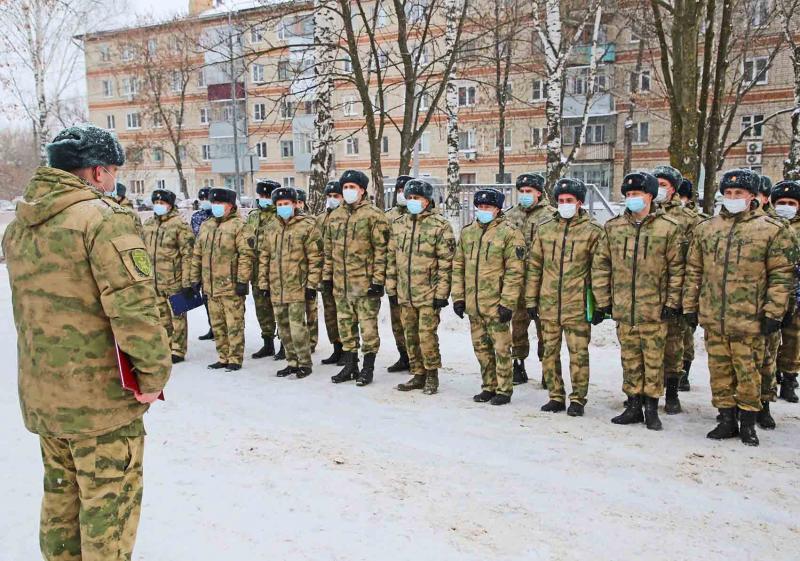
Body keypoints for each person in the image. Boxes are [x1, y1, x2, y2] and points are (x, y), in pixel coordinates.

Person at [2, 124, 171, 561]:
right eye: (113, 171)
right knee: (107, 512)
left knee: (61, 500)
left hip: (47, 397)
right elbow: (134, 308)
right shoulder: (101, 220)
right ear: (97, 172)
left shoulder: (21, 226)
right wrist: (153, 375)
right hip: (100, 402)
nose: (113, 180)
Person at [683, 169, 794, 446]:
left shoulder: (772, 230)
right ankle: (726, 418)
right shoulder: (707, 229)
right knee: (720, 371)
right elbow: (694, 270)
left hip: (750, 319)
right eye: (728, 193)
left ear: (752, 196)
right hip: (715, 316)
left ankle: (747, 422)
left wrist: (774, 312)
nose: (733, 197)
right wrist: (690, 306)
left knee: (748, 372)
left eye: (739, 193)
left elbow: (781, 276)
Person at [593, 171, 685, 431]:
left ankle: (652, 408)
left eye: (637, 194)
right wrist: (603, 300)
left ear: (650, 196)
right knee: (630, 359)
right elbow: (601, 265)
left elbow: (678, 269)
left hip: (654, 309)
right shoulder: (613, 227)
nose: (632, 198)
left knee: (653, 361)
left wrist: (672, 303)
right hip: (625, 308)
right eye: (629, 194)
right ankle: (633, 405)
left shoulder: (668, 228)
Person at [525, 178, 604, 416]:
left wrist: (601, 303)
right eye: (561, 200)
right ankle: (555, 396)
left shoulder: (593, 231)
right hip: (549, 304)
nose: (564, 204)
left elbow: (600, 270)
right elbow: (535, 266)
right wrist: (531, 300)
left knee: (578, 354)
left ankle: (578, 399)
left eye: (569, 200)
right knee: (549, 352)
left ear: (579, 202)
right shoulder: (546, 228)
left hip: (577, 305)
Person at [452, 188, 525, 406]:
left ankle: (504, 389)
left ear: (498, 209)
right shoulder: (468, 233)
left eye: (488, 207)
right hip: (474, 305)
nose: (483, 210)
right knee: (481, 349)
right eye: (480, 207)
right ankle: (488, 386)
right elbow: (458, 266)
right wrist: (458, 298)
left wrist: (508, 303)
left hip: (496, 304)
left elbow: (515, 272)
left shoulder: (510, 233)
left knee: (501, 349)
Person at [386, 179, 456, 395]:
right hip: (405, 292)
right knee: (410, 335)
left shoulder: (440, 225)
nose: (412, 201)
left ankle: (431, 374)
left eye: (417, 198)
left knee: (427, 336)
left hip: (428, 293)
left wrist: (442, 293)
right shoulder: (399, 224)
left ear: (427, 200)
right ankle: (417, 373)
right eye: (410, 198)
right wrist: (391, 287)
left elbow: (446, 263)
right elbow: (391, 258)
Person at [322, 170, 390, 386]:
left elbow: (382, 251)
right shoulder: (335, 217)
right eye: (345, 187)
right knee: (345, 327)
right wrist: (327, 278)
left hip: (365, 286)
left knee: (368, 329)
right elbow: (328, 251)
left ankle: (368, 368)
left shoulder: (374, 216)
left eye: (352, 187)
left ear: (362, 190)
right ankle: (350, 366)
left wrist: (378, 281)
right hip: (341, 286)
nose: (348, 191)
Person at [258, 187, 322, 378]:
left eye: (286, 203)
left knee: (297, 327)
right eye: (279, 204)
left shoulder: (307, 226)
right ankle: (291, 361)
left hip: (297, 286)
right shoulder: (271, 227)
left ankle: (304, 362)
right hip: (277, 286)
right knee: (283, 327)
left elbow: (315, 258)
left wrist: (311, 285)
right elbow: (264, 257)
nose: (283, 207)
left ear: (294, 204)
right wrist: (264, 284)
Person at [653, 165, 701, 414]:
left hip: (675, 292)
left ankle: (672, 393)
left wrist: (687, 298)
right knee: (646, 348)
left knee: (673, 346)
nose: (659, 188)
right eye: (656, 183)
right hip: (646, 293)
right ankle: (644, 393)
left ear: (674, 188)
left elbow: (694, 262)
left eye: (663, 184)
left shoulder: (688, 219)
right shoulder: (643, 214)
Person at [190, 187, 255, 371]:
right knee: (217, 324)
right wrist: (194, 278)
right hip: (210, 286)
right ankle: (223, 356)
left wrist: (242, 281)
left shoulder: (240, 226)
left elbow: (246, 256)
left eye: (220, 203)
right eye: (214, 203)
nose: (216, 206)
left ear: (230, 205)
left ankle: (235, 358)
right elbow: (197, 254)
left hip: (230, 285)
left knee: (234, 324)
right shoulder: (206, 226)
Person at [505, 172, 555, 386]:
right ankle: (518, 365)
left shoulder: (551, 216)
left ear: (539, 193)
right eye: (522, 191)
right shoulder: (510, 215)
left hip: (542, 282)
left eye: (529, 191)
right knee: (517, 324)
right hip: (517, 281)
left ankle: (547, 368)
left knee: (545, 327)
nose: (525, 195)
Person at [143, 188, 195, 364]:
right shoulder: (148, 224)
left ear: (170, 205)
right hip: (155, 280)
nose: (159, 205)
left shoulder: (180, 225)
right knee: (161, 316)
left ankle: (178, 349)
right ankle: (166, 345)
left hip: (175, 280)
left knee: (177, 316)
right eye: (156, 203)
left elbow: (188, 255)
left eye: (162, 203)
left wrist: (187, 281)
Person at [771, 180, 800, 407]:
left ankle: (789, 377)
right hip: (771, 293)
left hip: (796, 293)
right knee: (769, 338)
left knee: (794, 338)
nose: (786, 207)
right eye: (782, 202)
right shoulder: (767, 225)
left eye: (791, 203)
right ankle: (770, 377)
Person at [247, 180, 280, 359]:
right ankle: (268, 343)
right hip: (256, 271)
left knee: (280, 309)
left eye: (267, 196)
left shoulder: (280, 216)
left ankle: (285, 344)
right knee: (262, 309)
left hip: (275, 271)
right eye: (261, 195)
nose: (264, 199)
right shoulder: (253, 216)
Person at [385, 175, 415, 373]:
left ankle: (416, 359)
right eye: (399, 190)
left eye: (406, 190)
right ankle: (403, 356)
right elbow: (385, 250)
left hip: (416, 282)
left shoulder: (425, 217)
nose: (402, 194)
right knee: (397, 321)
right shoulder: (388, 217)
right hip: (395, 277)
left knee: (413, 324)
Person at [317, 181, 345, 365]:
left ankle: (347, 350)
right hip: (325, 273)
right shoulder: (320, 219)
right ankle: (336, 348)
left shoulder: (346, 217)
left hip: (342, 274)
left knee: (344, 314)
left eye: (336, 196)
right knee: (330, 313)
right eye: (330, 196)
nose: (332, 199)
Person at [295, 187, 319, 352]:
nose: (297, 205)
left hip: (308, 273)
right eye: (295, 202)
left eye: (300, 202)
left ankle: (311, 340)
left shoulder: (312, 222)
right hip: (292, 276)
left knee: (311, 310)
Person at [192, 187, 215, 341]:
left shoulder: (218, 216)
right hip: (202, 262)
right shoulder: (197, 217)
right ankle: (212, 327)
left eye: (207, 199)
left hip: (216, 264)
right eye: (202, 199)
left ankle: (221, 329)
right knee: (206, 297)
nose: (204, 202)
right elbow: (194, 239)